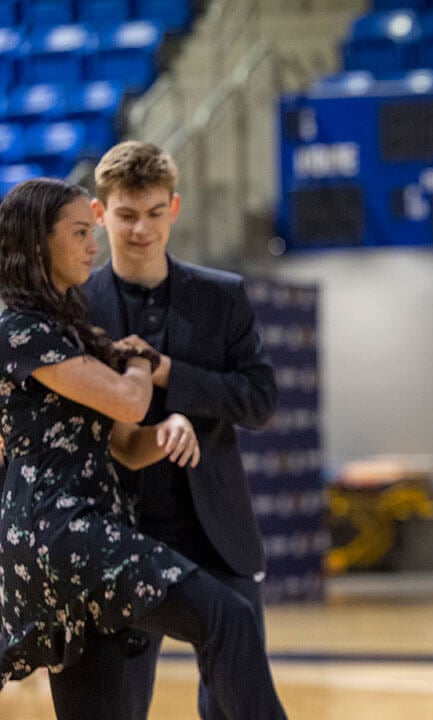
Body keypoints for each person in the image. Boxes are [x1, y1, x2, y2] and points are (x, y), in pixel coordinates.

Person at [0, 177, 287, 719]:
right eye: (79, 232)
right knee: (227, 617)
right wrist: (140, 361)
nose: (93, 244)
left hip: (84, 529)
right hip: (61, 531)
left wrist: (170, 429)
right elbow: (131, 401)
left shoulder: (67, 329)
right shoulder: (19, 330)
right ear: (38, 243)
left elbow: (127, 445)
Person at [79, 140, 279, 720]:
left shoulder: (222, 295)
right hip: (117, 529)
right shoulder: (75, 304)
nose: (141, 229)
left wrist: (170, 373)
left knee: (238, 704)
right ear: (99, 213)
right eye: (126, 214)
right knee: (117, 704)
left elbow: (260, 401)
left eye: (153, 212)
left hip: (215, 529)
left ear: (175, 208)